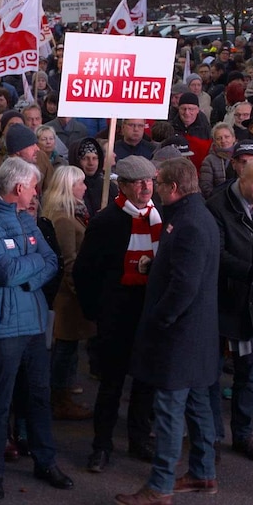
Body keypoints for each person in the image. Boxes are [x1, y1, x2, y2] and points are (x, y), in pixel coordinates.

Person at [0, 157, 73, 503]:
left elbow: (51, 261)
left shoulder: (26, 219)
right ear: (19, 188)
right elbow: (5, 273)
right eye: (34, 186)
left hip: (33, 323)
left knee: (38, 396)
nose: (37, 192)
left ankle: (45, 460)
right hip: (2, 328)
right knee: (0, 402)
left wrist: (27, 275)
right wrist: (30, 270)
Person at [117, 158, 219, 505]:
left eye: (159, 185)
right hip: (196, 334)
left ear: (173, 188)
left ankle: (159, 487)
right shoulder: (197, 217)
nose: (154, 190)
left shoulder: (188, 224)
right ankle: (203, 474)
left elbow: (184, 286)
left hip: (180, 337)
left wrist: (160, 318)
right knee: (198, 406)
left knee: (170, 411)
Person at [74, 156, 159, 472]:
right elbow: (84, 272)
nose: (146, 187)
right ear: (121, 185)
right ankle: (101, 446)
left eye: (150, 181)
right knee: (111, 386)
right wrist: (97, 312)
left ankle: (138, 439)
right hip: (115, 318)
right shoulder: (106, 221)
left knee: (144, 383)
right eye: (138, 182)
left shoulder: (156, 217)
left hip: (146, 316)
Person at [206, 158, 253, 464]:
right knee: (209, 376)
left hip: (252, 307)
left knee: (248, 376)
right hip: (220, 305)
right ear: (242, 178)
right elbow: (216, 254)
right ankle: (210, 438)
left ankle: (243, 435)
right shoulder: (216, 207)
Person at [41, 165, 95, 421]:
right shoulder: (63, 219)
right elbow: (68, 261)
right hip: (67, 297)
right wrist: (82, 294)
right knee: (65, 347)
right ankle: (59, 398)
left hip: (68, 295)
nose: (85, 187)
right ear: (68, 187)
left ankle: (62, 390)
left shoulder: (68, 213)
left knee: (67, 347)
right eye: (80, 183)